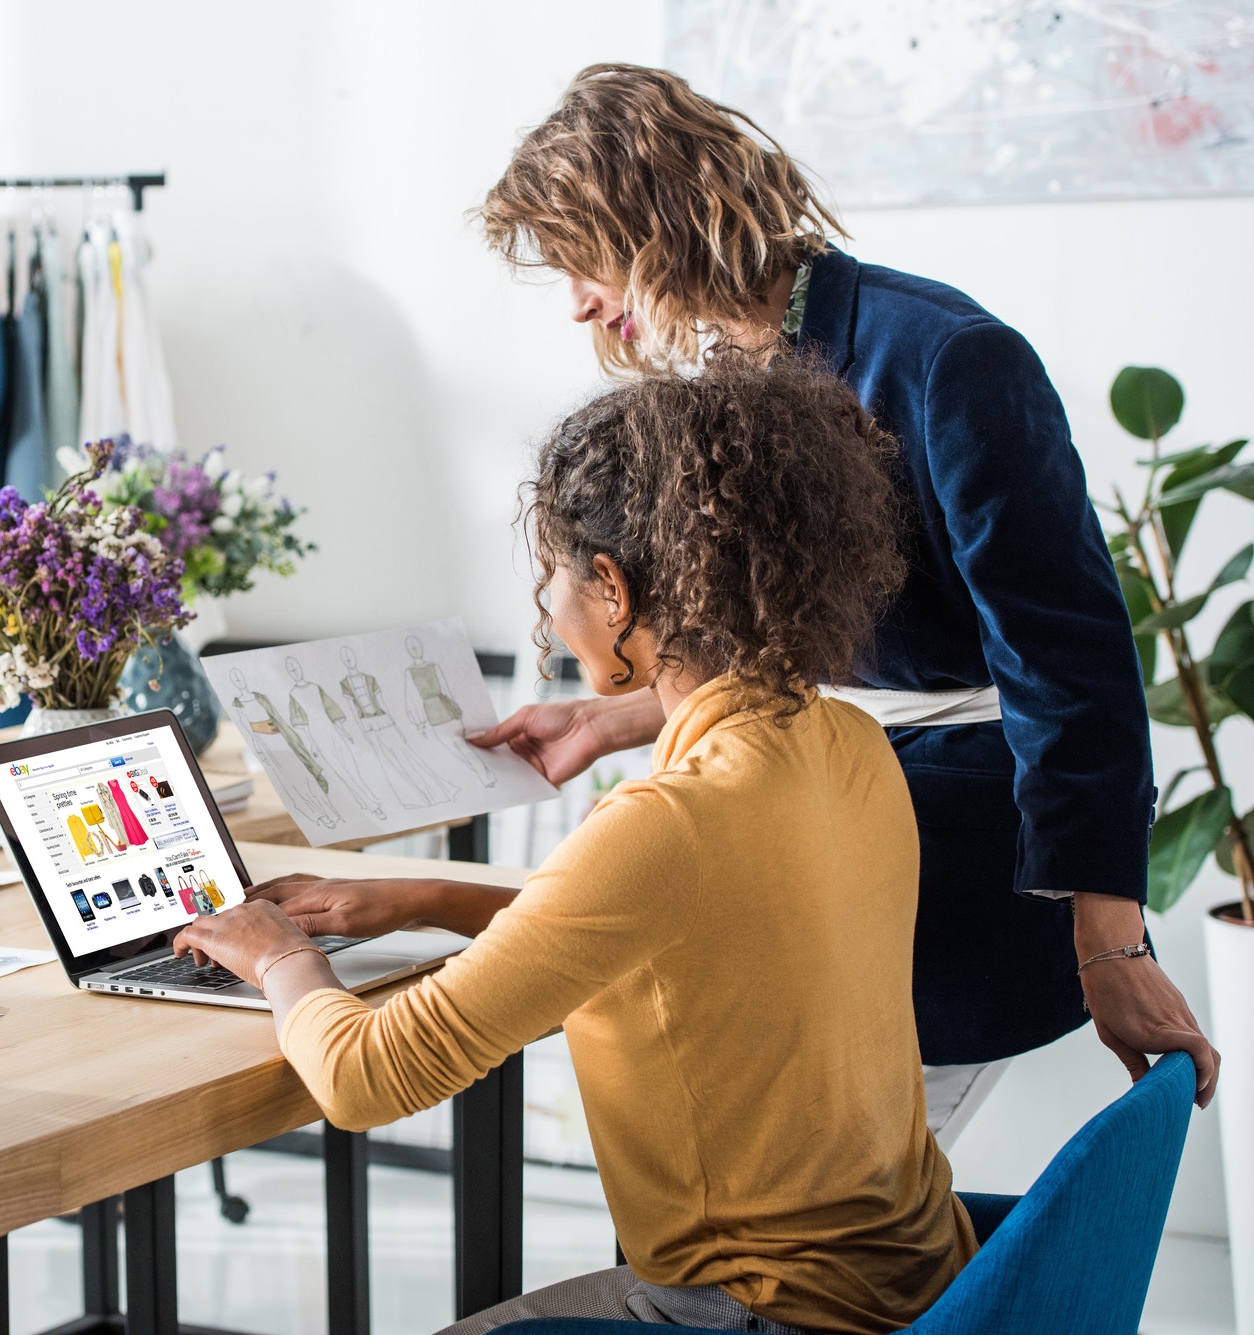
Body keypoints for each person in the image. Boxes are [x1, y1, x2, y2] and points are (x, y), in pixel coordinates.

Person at [467, 63, 1216, 1110]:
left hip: (960, 822)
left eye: (579, 262)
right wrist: (615, 720)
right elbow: (805, 640)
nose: (580, 303)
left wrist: (1109, 939)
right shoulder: (725, 379)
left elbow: (1068, 662)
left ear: (651, 219)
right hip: (837, 787)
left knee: (841, 1188)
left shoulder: (950, 360)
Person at [180, 360, 968, 1332]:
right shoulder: (845, 743)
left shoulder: (665, 827)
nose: (547, 602)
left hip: (764, 1312)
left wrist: (279, 956)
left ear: (612, 589)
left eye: (551, 572)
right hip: (919, 1285)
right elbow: (692, 941)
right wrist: (426, 900)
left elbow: (364, 1077)